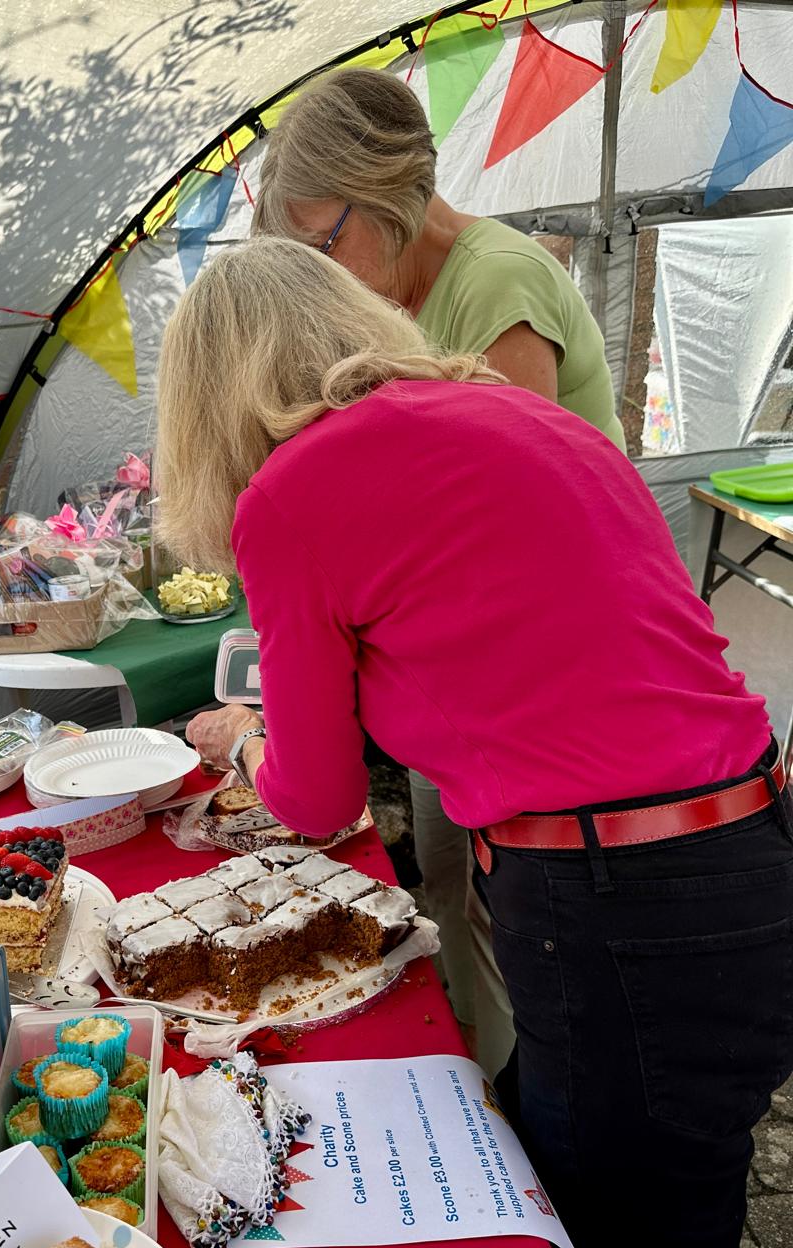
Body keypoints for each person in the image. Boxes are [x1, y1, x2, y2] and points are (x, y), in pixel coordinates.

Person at [159, 237, 791, 1248]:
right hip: (742, 853)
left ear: (211, 403)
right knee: (635, 1221)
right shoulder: (514, 414)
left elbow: (322, 800)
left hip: (626, 912)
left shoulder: (293, 495)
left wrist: (244, 742)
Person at [253, 67, 628, 1076]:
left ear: (385, 198)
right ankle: (472, 1072)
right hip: (465, 695)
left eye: (321, 244)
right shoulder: (393, 296)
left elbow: (507, 546)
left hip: (554, 709)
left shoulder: (494, 285)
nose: (318, 277)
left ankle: (516, 1108)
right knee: (450, 882)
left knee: (517, 921)